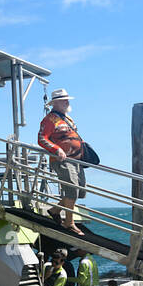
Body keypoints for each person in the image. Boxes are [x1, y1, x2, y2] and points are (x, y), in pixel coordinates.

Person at [37, 88, 87, 231]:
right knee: (72, 190)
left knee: (80, 191)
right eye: (63, 100)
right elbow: (41, 138)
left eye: (67, 100)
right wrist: (56, 149)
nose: (67, 102)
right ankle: (69, 223)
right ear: (55, 103)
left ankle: (55, 210)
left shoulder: (68, 118)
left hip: (77, 159)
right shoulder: (49, 120)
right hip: (63, 160)